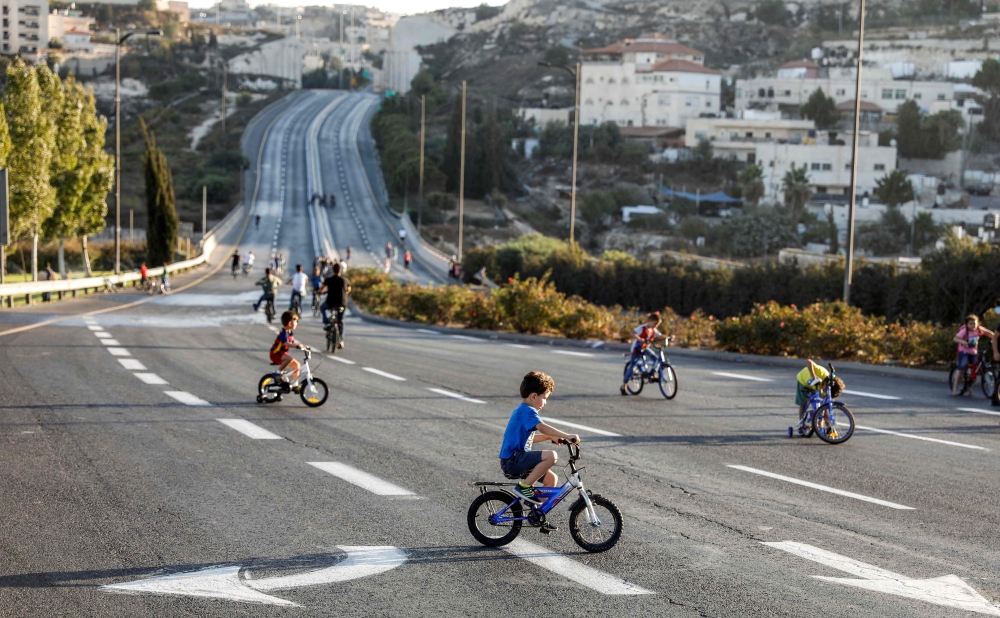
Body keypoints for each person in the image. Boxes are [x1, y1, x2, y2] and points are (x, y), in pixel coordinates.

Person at [499, 371, 580, 531]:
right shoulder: (527, 411)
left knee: (551, 480)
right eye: (545, 398)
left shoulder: (521, 410)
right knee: (552, 456)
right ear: (534, 396)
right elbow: (542, 426)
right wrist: (567, 435)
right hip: (514, 460)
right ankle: (524, 487)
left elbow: (530, 438)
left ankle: (537, 515)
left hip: (516, 458)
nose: (545, 402)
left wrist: (550, 438)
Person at [620, 312, 666, 396]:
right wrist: (639, 338)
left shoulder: (653, 330)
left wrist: (668, 337)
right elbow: (632, 332)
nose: (655, 326)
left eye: (657, 325)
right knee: (633, 365)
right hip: (637, 349)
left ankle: (653, 374)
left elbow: (659, 336)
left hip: (645, 348)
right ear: (649, 321)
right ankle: (624, 385)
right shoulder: (642, 328)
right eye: (655, 324)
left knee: (656, 359)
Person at [952, 314, 995, 396]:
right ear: (967, 324)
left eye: (974, 323)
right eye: (970, 324)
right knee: (962, 367)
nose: (973, 325)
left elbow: (989, 333)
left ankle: (969, 387)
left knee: (975, 370)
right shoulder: (965, 331)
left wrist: (994, 338)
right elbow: (955, 338)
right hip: (964, 351)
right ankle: (955, 388)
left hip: (973, 351)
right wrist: (964, 342)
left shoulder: (978, 329)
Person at [270, 311, 308, 386]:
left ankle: (295, 384)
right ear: (290, 323)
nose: (297, 323)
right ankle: (277, 373)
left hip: (282, 354)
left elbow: (292, 343)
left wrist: (303, 346)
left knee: (297, 365)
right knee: (289, 358)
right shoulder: (284, 333)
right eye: (295, 321)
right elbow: (286, 343)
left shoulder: (290, 332)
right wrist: (297, 346)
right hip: (275, 354)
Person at [319, 262, 351, 349]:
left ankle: (327, 323)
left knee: (322, 307)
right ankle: (341, 340)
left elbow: (322, 288)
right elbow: (349, 289)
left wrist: (320, 292)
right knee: (341, 321)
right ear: (341, 271)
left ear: (333, 270)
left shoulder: (329, 280)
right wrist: (345, 294)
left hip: (330, 303)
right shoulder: (345, 280)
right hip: (342, 304)